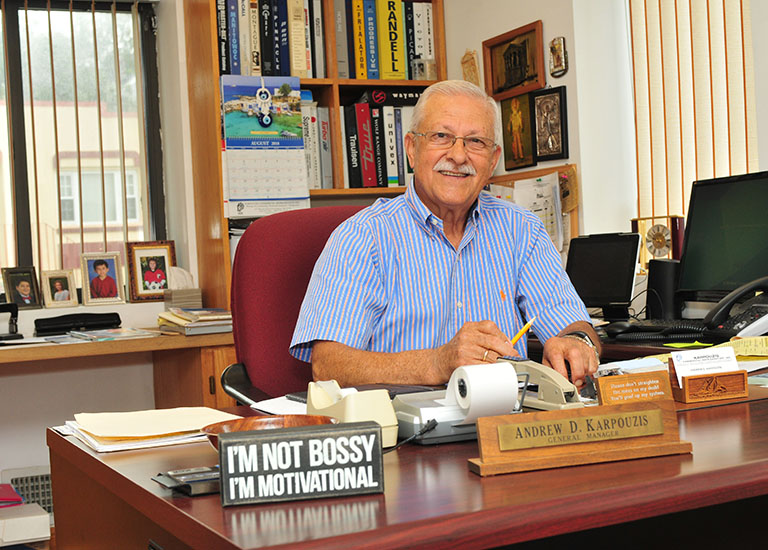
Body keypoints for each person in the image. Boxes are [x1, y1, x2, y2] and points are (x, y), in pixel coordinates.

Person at [290, 80, 600, 388]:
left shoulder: (522, 230)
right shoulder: (362, 237)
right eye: (442, 136)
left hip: (502, 422)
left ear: (492, 161)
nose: (459, 155)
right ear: (412, 149)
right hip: (402, 428)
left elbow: (573, 324)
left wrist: (576, 342)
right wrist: (438, 362)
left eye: (476, 141)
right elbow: (328, 365)